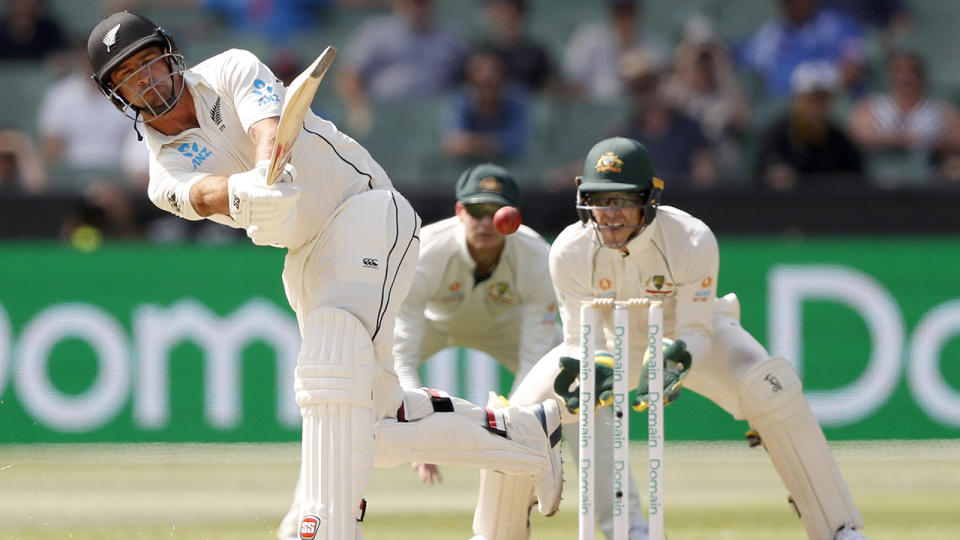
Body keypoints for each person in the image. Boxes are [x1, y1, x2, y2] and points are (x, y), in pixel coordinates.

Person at [85, 11, 563, 540]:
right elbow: (200, 195)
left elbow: (268, 124)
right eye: (130, 76)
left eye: (150, 62)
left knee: (333, 374)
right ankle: (526, 436)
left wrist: (271, 167)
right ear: (117, 96)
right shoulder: (162, 174)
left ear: (169, 54)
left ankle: (322, 524)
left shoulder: (230, 68)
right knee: (371, 423)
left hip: (364, 211)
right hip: (306, 258)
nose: (147, 80)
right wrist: (245, 191)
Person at [500, 136, 871, 540]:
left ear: (648, 199)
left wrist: (673, 358)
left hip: (692, 336)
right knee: (518, 414)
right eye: (600, 200)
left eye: (622, 201)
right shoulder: (569, 250)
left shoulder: (690, 238)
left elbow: (696, 328)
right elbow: (576, 339)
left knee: (768, 385)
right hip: (611, 342)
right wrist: (590, 365)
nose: (610, 214)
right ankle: (495, 532)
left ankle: (838, 529)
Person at [391, 164, 561, 539]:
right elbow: (398, 357)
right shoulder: (424, 250)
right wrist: (417, 436)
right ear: (459, 212)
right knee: (364, 383)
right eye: (476, 211)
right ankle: (307, 521)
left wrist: (520, 433)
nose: (485, 222)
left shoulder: (537, 257)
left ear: (512, 220)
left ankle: (624, 524)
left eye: (495, 213)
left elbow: (535, 362)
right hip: (436, 324)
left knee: (565, 387)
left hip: (504, 328)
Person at [337, 0, 465, 135]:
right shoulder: (376, 32)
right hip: (384, 112)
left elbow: (468, 75)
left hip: (435, 116)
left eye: (422, 2)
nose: (417, 7)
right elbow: (349, 74)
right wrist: (358, 108)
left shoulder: (450, 37)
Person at [847, 50, 960, 186]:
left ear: (922, 76)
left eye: (913, 71)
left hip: (927, 183)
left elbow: (956, 141)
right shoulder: (870, 107)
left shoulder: (941, 111)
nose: (906, 77)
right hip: (877, 181)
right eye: (899, 71)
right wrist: (913, 140)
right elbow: (857, 137)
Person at [754, 61, 864, 191]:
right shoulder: (776, 136)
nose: (817, 108)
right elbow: (760, 175)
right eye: (811, 100)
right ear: (796, 100)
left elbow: (857, 182)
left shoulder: (841, 143)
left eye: (823, 100)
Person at [736, 0, 866, 99]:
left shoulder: (838, 25)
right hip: (784, 111)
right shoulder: (769, 36)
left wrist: (813, 80)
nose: (795, 4)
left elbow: (852, 71)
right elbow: (737, 57)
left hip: (830, 104)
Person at [562, 0, 668, 101]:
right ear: (611, 13)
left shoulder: (654, 49)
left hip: (635, 116)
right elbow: (572, 84)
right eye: (620, 12)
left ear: (638, 14)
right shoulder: (588, 40)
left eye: (629, 12)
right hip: (594, 112)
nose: (625, 19)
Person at [441, 49, 530, 163]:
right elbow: (453, 143)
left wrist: (474, 143)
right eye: (479, 73)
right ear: (470, 80)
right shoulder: (459, 101)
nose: (486, 76)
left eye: (492, 80)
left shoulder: (517, 99)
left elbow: (518, 142)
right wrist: (493, 144)